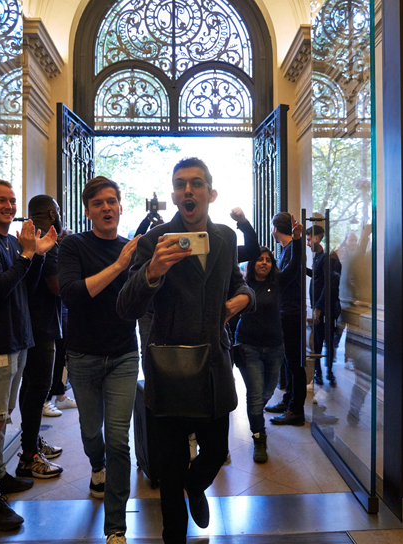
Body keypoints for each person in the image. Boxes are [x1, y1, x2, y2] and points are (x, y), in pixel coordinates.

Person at [117, 157, 254, 544]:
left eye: (196, 183)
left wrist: (245, 298)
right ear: (175, 195)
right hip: (170, 366)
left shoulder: (226, 238)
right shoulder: (154, 242)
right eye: (180, 185)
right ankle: (174, 536)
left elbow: (238, 283)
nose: (187, 191)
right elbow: (126, 307)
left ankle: (198, 486)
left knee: (215, 452)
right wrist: (152, 272)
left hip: (213, 364)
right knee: (170, 468)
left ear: (211, 193)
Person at [0, 179, 57, 531]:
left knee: (5, 414)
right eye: (0, 200)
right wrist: (29, 254)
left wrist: (37, 254)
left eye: (12, 200)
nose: (8, 206)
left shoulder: (10, 241)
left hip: (18, 341)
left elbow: (25, 289)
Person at [58, 176, 141, 544]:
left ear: (121, 206)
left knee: (119, 440)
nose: (106, 208)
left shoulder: (132, 250)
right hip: (83, 356)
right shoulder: (74, 246)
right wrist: (120, 266)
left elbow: (143, 299)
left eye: (112, 201)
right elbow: (73, 295)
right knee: (93, 433)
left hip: (124, 354)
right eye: (98, 203)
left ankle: (116, 526)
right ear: (88, 209)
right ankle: (96, 466)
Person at [235, 226, 301, 463]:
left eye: (268, 260)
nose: (264, 263)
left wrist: (297, 240)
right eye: (259, 259)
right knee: (255, 395)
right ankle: (259, 437)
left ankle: (255, 416)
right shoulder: (241, 284)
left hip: (275, 347)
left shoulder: (279, 282)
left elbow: (294, 266)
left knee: (267, 391)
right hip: (248, 345)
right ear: (252, 263)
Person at [15, 195, 66, 478]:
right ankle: (29, 455)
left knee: (31, 388)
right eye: (57, 211)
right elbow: (58, 286)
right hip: (41, 326)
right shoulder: (44, 242)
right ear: (51, 213)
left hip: (33, 324)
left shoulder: (29, 238)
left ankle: (31, 443)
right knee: (38, 390)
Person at [264, 212, 307, 426]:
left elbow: (286, 277)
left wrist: (270, 266)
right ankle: (289, 401)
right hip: (287, 312)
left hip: (292, 313)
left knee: (294, 363)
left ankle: (295, 410)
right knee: (289, 362)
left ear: (275, 229)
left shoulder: (292, 249)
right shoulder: (286, 250)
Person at [306, 224, 341, 387]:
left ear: (317, 238)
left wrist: (319, 308)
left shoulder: (326, 257)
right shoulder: (318, 256)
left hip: (325, 309)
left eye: (308, 239)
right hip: (319, 307)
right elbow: (318, 277)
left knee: (325, 341)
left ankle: (326, 372)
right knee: (319, 340)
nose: (307, 243)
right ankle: (320, 372)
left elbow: (328, 284)